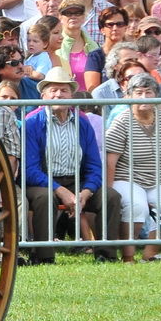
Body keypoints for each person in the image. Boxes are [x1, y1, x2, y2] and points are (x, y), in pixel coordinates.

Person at [22, 66, 116, 261]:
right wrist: (60, 191)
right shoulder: (32, 122)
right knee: (44, 198)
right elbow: (29, 170)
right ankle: (44, 257)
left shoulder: (82, 122)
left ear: (72, 94)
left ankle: (106, 255)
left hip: (77, 180)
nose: (58, 95)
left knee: (111, 197)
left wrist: (86, 192)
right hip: (42, 181)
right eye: (53, 90)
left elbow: (94, 166)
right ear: (43, 95)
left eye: (64, 90)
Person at [103, 70, 161, 261]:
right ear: (129, 96)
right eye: (139, 93)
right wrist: (108, 191)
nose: (144, 97)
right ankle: (129, 258)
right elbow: (110, 161)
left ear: (156, 96)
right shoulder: (122, 121)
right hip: (127, 178)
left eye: (149, 92)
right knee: (137, 206)